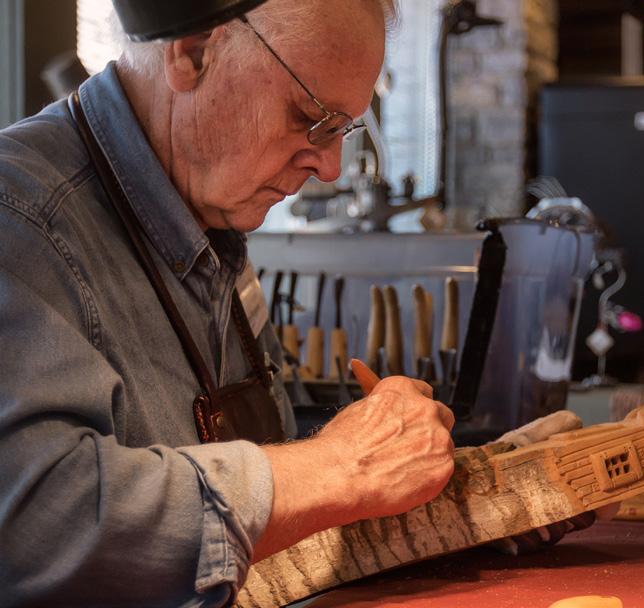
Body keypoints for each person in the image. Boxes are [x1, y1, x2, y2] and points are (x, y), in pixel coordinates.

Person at [0, 1, 596, 606]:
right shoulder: (17, 221)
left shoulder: (211, 224)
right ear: (193, 52)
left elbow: (271, 492)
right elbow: (38, 526)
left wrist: (458, 499)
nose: (330, 168)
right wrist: (344, 465)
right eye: (311, 118)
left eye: (343, 129)